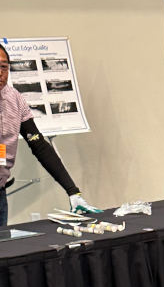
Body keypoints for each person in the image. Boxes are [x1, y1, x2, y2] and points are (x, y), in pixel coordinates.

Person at [0, 45, 100, 226]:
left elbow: (38, 144)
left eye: (4, 67)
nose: (0, 73)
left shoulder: (14, 99)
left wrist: (72, 191)